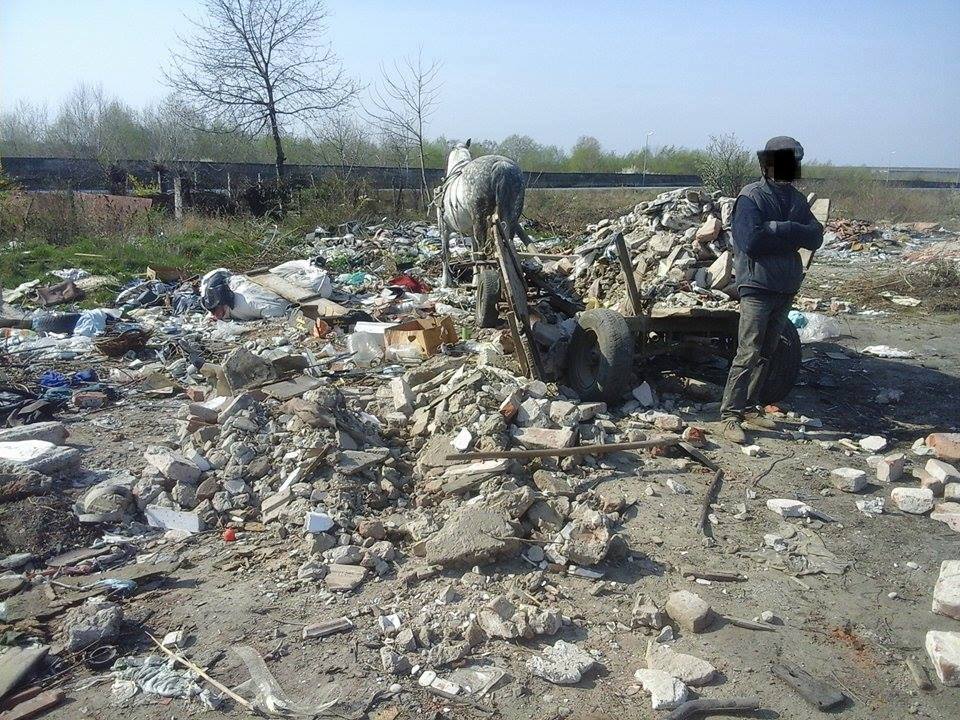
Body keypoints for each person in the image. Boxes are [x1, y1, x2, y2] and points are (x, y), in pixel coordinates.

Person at [719, 136, 824, 444]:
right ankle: (729, 415)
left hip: (785, 285)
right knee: (748, 351)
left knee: (767, 351)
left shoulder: (795, 200)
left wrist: (781, 228)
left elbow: (816, 237)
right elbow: (751, 241)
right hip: (757, 285)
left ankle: (750, 407)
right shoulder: (750, 197)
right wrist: (792, 237)